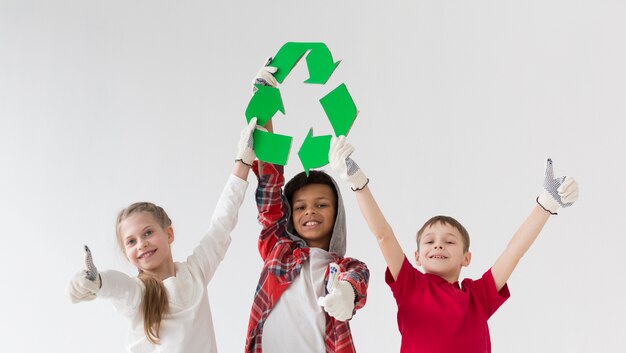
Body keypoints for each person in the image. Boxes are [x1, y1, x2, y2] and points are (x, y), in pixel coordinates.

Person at [328, 136, 579, 353]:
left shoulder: (479, 296)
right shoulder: (410, 284)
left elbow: (513, 253)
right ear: (417, 256)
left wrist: (545, 206)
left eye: (449, 241)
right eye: (430, 241)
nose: (438, 246)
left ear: (466, 258)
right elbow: (383, 235)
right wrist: (357, 183)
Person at [66, 119, 260, 353]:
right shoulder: (139, 293)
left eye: (148, 232)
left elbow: (221, 225)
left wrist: (243, 162)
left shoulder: (195, 272)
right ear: (127, 254)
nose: (142, 244)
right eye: (131, 241)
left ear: (169, 233)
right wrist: (98, 282)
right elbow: (120, 287)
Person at [244, 65, 370, 353]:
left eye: (321, 205)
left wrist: (346, 294)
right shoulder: (278, 247)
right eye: (300, 207)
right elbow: (269, 184)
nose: (309, 212)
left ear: (337, 214)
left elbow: (357, 280)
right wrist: (264, 104)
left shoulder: (346, 268)